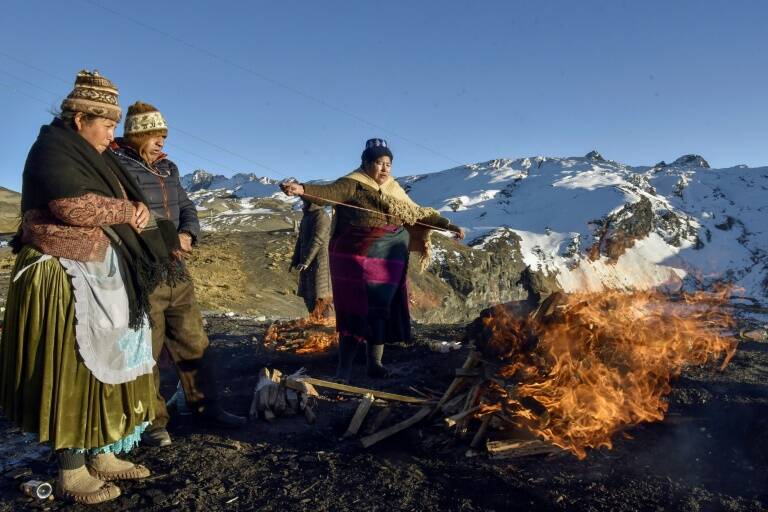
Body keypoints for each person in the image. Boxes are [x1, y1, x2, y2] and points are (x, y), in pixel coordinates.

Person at [0, 70, 181, 504]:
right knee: (73, 369)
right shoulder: (53, 150)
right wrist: (128, 209)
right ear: (80, 119)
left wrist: (135, 214)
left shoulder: (97, 156)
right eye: (107, 125)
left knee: (109, 364)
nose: (111, 134)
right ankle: (71, 467)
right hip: (63, 279)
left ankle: (102, 451)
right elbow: (70, 205)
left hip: (102, 275)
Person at [111, 101, 246, 448]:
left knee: (193, 340)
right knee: (148, 348)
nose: (161, 142)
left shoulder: (168, 168)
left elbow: (187, 206)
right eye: (155, 136)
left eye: (163, 136)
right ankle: (153, 421)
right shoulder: (116, 165)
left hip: (176, 268)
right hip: (143, 267)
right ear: (137, 135)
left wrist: (188, 234)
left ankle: (206, 407)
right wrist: (164, 240)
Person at [280, 138, 464, 382]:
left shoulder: (394, 190)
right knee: (353, 310)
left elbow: (418, 213)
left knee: (380, 309)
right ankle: (343, 370)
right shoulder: (352, 184)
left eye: (389, 163)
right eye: (379, 163)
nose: (385, 168)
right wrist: (303, 189)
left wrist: (448, 225)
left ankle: (374, 364)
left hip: (389, 258)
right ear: (366, 164)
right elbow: (328, 193)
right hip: (355, 257)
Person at [291, 199, 334, 317]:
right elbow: (301, 240)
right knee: (308, 294)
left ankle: (326, 325)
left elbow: (318, 239)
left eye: (305, 201)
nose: (303, 203)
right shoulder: (307, 217)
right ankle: (314, 321)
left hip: (320, 261)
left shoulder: (321, 216)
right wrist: (295, 260)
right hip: (306, 262)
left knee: (321, 295)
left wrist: (306, 261)